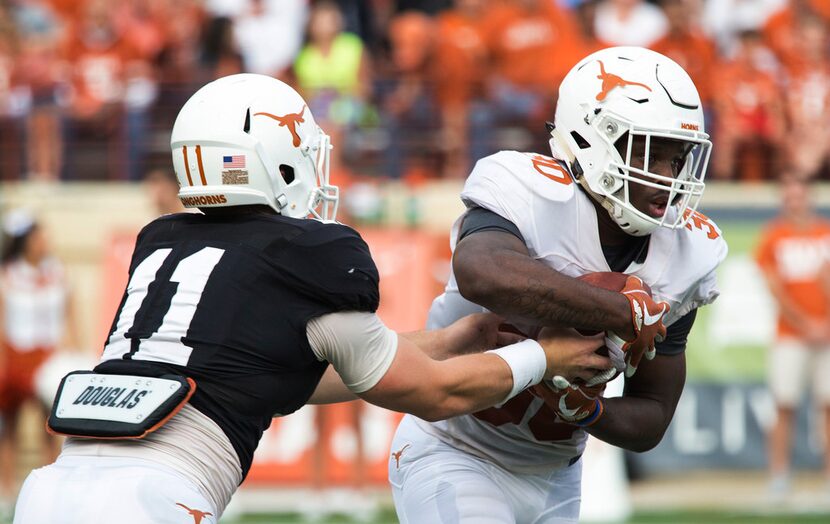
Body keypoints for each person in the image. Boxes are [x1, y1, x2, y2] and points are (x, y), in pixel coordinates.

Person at [12, 73, 606, 523]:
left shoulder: (160, 242)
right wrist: (545, 358)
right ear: (273, 161)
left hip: (47, 492)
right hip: (154, 498)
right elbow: (434, 392)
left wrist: (453, 339)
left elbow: (290, 374)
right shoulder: (303, 254)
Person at [388, 46, 728, 523]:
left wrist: (589, 413)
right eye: (652, 153)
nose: (667, 179)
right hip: (454, 449)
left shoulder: (684, 254)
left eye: (678, 159)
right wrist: (620, 310)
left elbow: (652, 412)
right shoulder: (531, 190)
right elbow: (480, 271)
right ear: (594, 139)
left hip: (556, 475)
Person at [755, 175, 830, 499]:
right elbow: (776, 289)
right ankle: (779, 476)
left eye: (799, 195)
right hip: (790, 335)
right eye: (789, 196)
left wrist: (824, 324)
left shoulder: (825, 232)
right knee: (784, 405)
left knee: (828, 406)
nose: (794, 202)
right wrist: (806, 323)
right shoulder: (774, 236)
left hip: (827, 335)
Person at [0, 210, 78, 511]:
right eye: (39, 236)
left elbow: (70, 317)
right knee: (10, 427)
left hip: (49, 358)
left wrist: (74, 353)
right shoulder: (9, 274)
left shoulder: (59, 272)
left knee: (51, 427)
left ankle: (52, 489)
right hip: (16, 354)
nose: (45, 242)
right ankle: (7, 492)